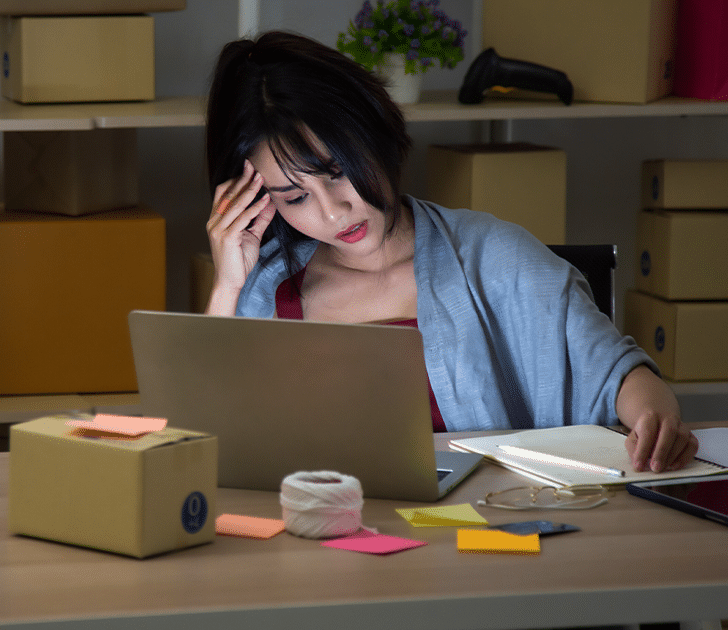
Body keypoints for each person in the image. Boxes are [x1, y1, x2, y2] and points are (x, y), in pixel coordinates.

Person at [202, 31, 698, 473]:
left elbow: (617, 373)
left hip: (478, 537)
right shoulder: (262, 294)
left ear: (374, 133)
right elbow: (207, 449)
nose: (334, 212)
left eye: (337, 171)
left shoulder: (497, 257)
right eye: (295, 197)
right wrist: (227, 287)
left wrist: (657, 420)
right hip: (317, 549)